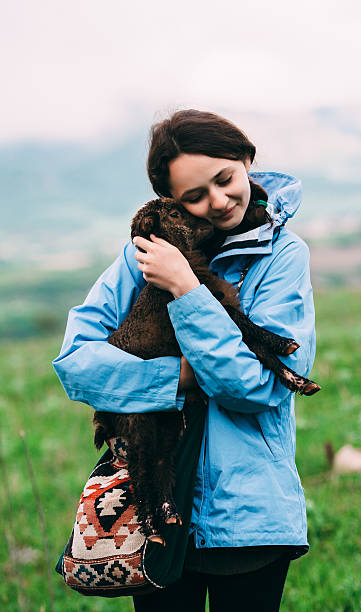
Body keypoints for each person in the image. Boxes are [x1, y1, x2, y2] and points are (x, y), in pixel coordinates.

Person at [53, 109, 316, 611]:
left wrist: (186, 288)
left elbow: (254, 389)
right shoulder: (145, 253)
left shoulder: (283, 256)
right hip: (153, 510)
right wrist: (177, 377)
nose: (217, 202)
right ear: (169, 201)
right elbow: (75, 361)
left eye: (225, 179)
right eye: (194, 195)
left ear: (246, 160)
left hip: (248, 516)